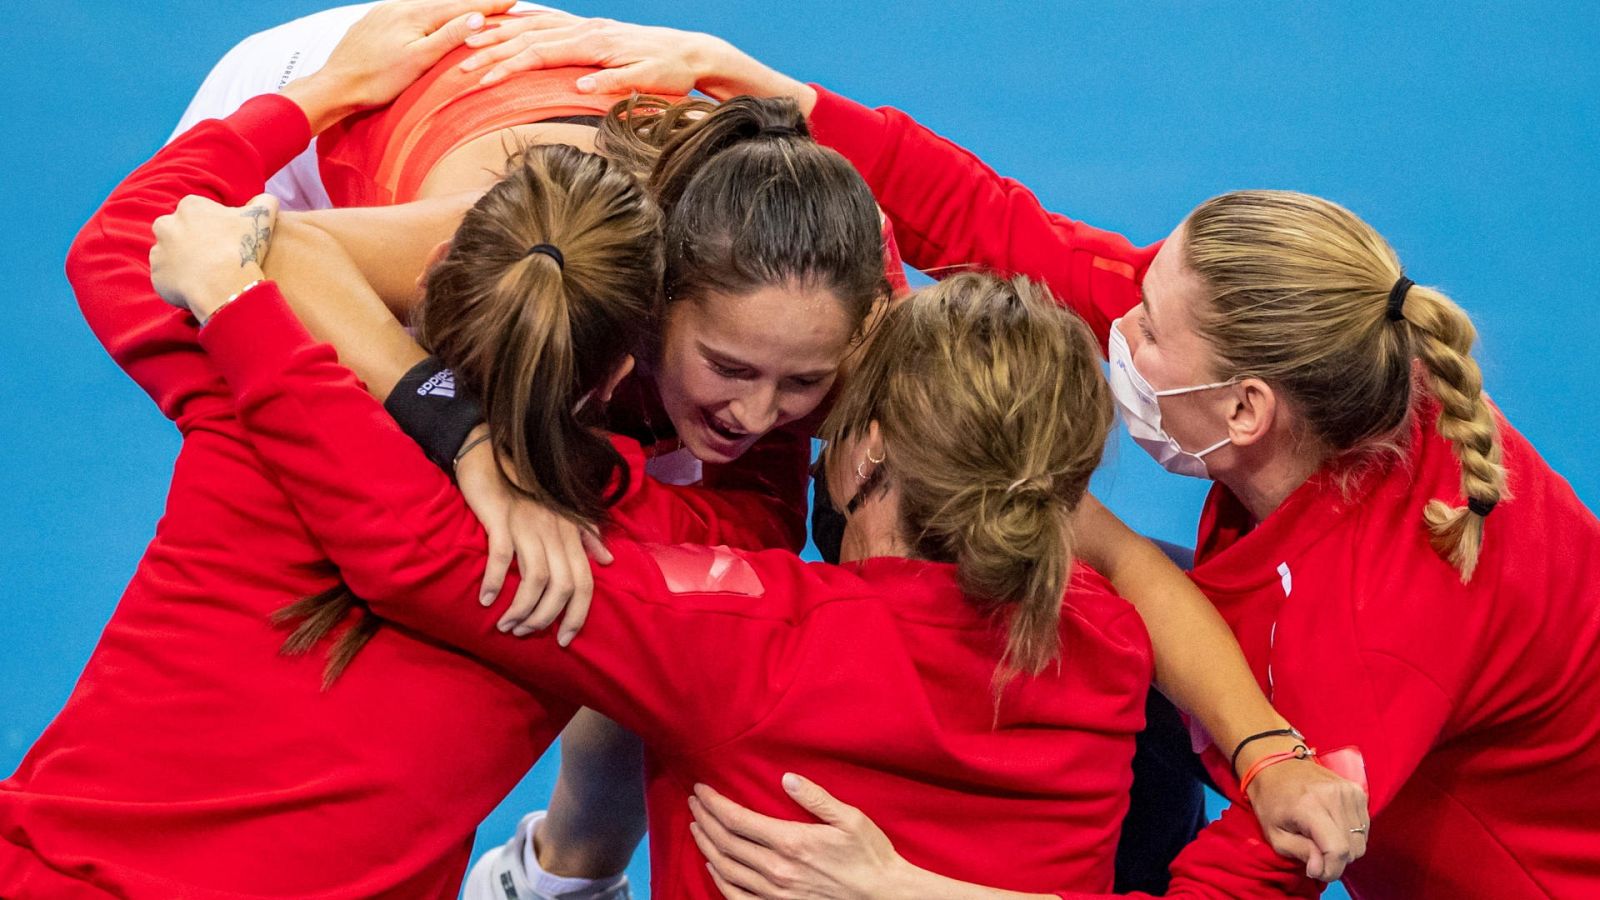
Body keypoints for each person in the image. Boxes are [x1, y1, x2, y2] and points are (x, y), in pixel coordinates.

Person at [176, 9, 1368, 897]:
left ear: (864, 356)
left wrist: (1264, 753)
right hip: (347, 145)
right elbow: (246, 249)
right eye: (730, 369)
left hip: (695, 281)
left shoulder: (882, 357)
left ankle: (561, 865)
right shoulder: (553, 260)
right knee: (369, 489)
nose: (757, 416)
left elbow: (1117, 562)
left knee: (676, 625)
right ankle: (559, 872)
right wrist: (469, 439)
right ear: (652, 314)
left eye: (804, 385)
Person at [468, 17, 1600, 899]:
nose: (1115, 321)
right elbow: (1009, 230)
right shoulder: (1338, 362)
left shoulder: (1365, 642)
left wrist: (908, 890)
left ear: (1247, 408)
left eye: (1147, 322)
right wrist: (787, 99)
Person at [0, 4, 792, 896]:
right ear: (620, 370)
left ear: (429, 270)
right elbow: (759, 528)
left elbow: (129, 239)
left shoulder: (253, 400)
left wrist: (330, 90)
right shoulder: (605, 549)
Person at [153, 205, 1165, 897]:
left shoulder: (748, 637)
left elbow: (417, 554)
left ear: (868, 446)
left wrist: (245, 312)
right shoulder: (1119, 645)